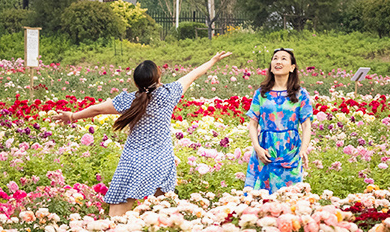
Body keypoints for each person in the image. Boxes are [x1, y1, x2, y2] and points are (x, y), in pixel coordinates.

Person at [60, 51, 231, 217]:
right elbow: (193, 75)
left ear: (136, 83)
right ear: (158, 78)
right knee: (162, 213)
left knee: (117, 216)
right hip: (161, 161)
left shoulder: (129, 100)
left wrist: (73, 116)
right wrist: (213, 60)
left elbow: (97, 109)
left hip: (133, 160)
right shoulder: (169, 94)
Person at [245, 47, 315, 194]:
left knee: (290, 197)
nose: (278, 61)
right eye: (275, 58)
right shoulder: (262, 93)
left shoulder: (300, 94)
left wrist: (303, 150)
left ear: (292, 67)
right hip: (265, 150)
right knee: (259, 197)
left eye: (284, 59)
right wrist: (257, 148)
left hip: (290, 150)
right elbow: (253, 123)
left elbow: (306, 125)